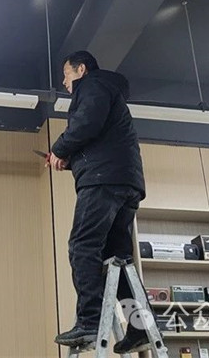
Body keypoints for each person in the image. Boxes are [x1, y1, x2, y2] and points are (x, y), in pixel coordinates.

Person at [47, 51, 149, 353]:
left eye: (66, 74)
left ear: (81, 69)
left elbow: (86, 123)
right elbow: (97, 137)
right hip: (124, 182)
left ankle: (89, 322)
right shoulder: (108, 91)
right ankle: (139, 327)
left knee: (82, 246)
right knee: (117, 260)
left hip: (103, 181)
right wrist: (69, 159)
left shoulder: (93, 85)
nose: (64, 82)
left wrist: (59, 149)